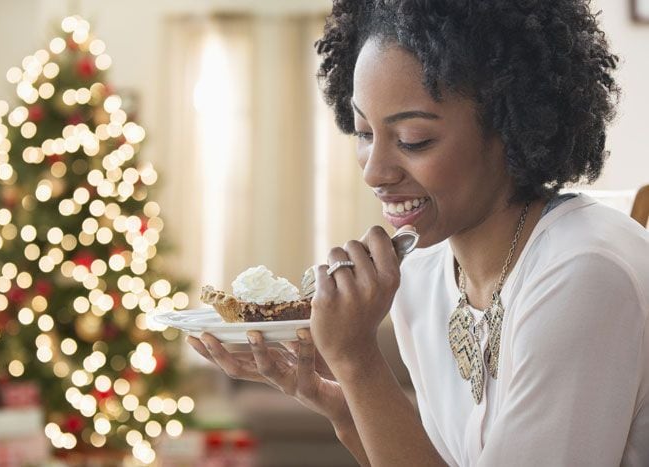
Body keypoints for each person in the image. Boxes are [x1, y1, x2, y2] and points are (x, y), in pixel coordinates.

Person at [187, 0, 649, 465]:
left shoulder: (584, 275)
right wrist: (345, 408)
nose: (374, 172)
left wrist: (359, 363)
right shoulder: (425, 278)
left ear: (511, 126)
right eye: (364, 132)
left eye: (412, 139)